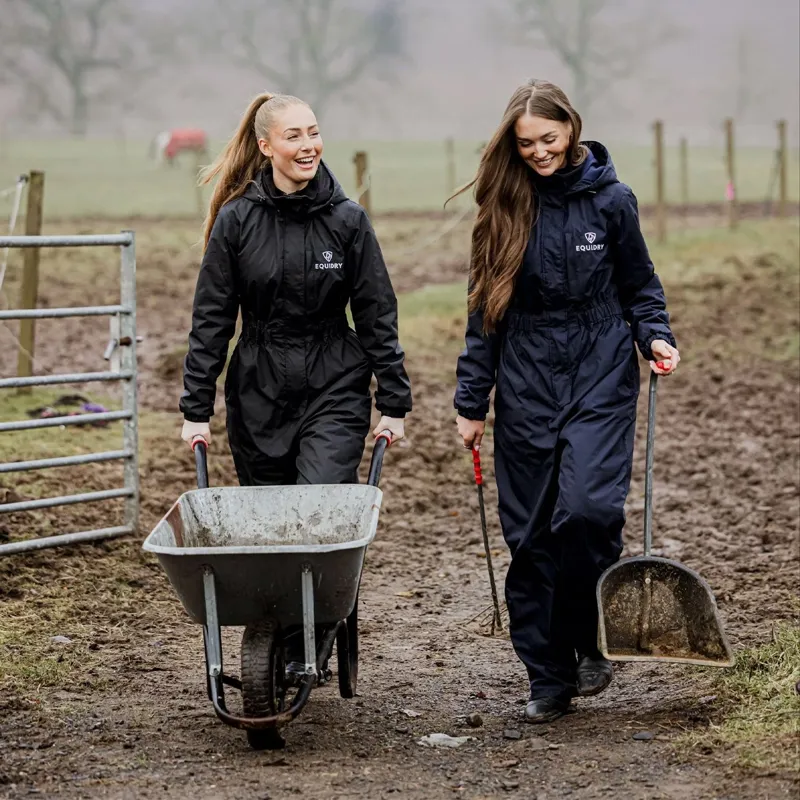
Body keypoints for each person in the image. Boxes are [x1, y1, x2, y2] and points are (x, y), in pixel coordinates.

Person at [453, 79, 679, 723]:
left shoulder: (611, 201)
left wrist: (654, 334)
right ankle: (547, 675)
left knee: (584, 512)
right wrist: (472, 402)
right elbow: (482, 317)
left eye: (548, 139)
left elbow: (640, 284)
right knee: (529, 537)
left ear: (572, 129)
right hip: (524, 376)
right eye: (524, 143)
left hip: (601, 369)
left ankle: (590, 639)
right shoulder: (501, 205)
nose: (537, 152)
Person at [179, 92, 412, 667]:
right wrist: (195, 408)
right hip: (257, 385)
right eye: (294, 136)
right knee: (270, 527)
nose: (308, 145)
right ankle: (283, 632)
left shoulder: (348, 220)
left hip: (335, 382)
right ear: (266, 147)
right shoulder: (237, 221)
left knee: (320, 506)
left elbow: (377, 311)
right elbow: (211, 318)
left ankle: (306, 638)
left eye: (313, 132)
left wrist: (395, 401)